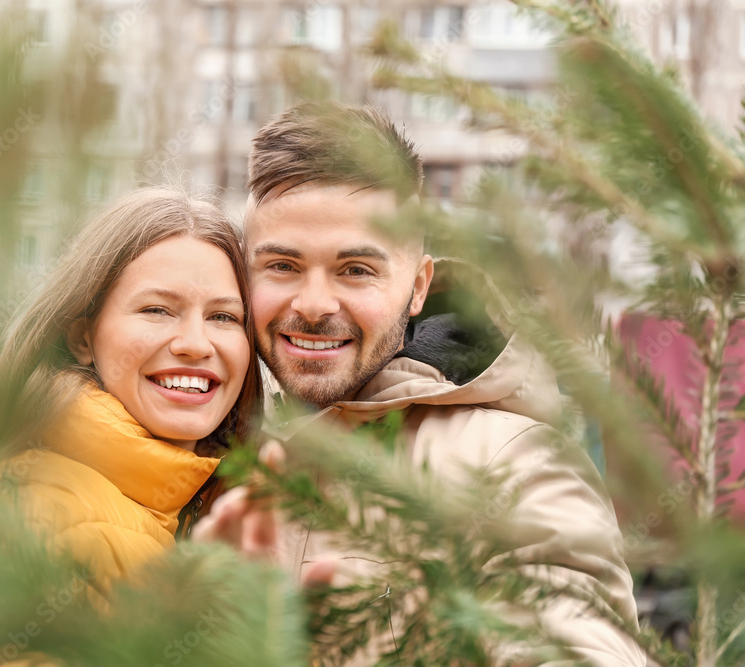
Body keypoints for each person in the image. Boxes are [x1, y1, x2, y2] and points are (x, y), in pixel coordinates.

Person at [196, 101, 645, 665]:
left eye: (356, 270)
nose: (312, 305)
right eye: (282, 266)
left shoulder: (517, 463)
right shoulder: (218, 452)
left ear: (418, 286)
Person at [0, 187, 262, 665]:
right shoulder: (39, 504)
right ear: (83, 337)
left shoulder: (167, 504)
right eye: (157, 309)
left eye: (223, 316)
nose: (194, 342)